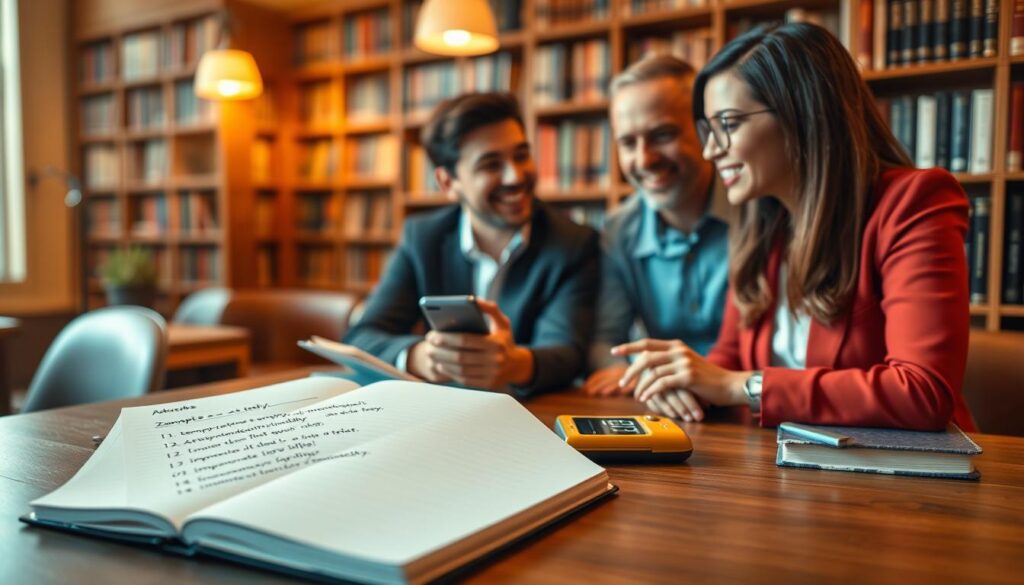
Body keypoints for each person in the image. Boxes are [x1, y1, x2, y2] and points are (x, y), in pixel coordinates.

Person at [615, 22, 976, 431]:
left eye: (728, 125)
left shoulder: (912, 204)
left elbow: (921, 391)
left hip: (905, 481)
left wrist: (743, 387)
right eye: (707, 130)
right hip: (786, 473)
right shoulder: (761, 225)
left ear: (802, 114)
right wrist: (682, 383)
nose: (711, 150)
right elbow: (726, 362)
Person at [344, 92, 599, 396]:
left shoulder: (574, 242)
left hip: (529, 414)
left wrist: (514, 364)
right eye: (491, 165)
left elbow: (567, 352)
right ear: (448, 183)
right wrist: (422, 358)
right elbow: (362, 337)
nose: (515, 176)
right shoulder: (422, 237)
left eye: (521, 155)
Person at [582, 55, 729, 398]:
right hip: (670, 406)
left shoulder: (760, 211)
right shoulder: (619, 229)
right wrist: (631, 373)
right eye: (628, 143)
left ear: (704, 129)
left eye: (662, 135)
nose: (644, 159)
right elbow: (607, 341)